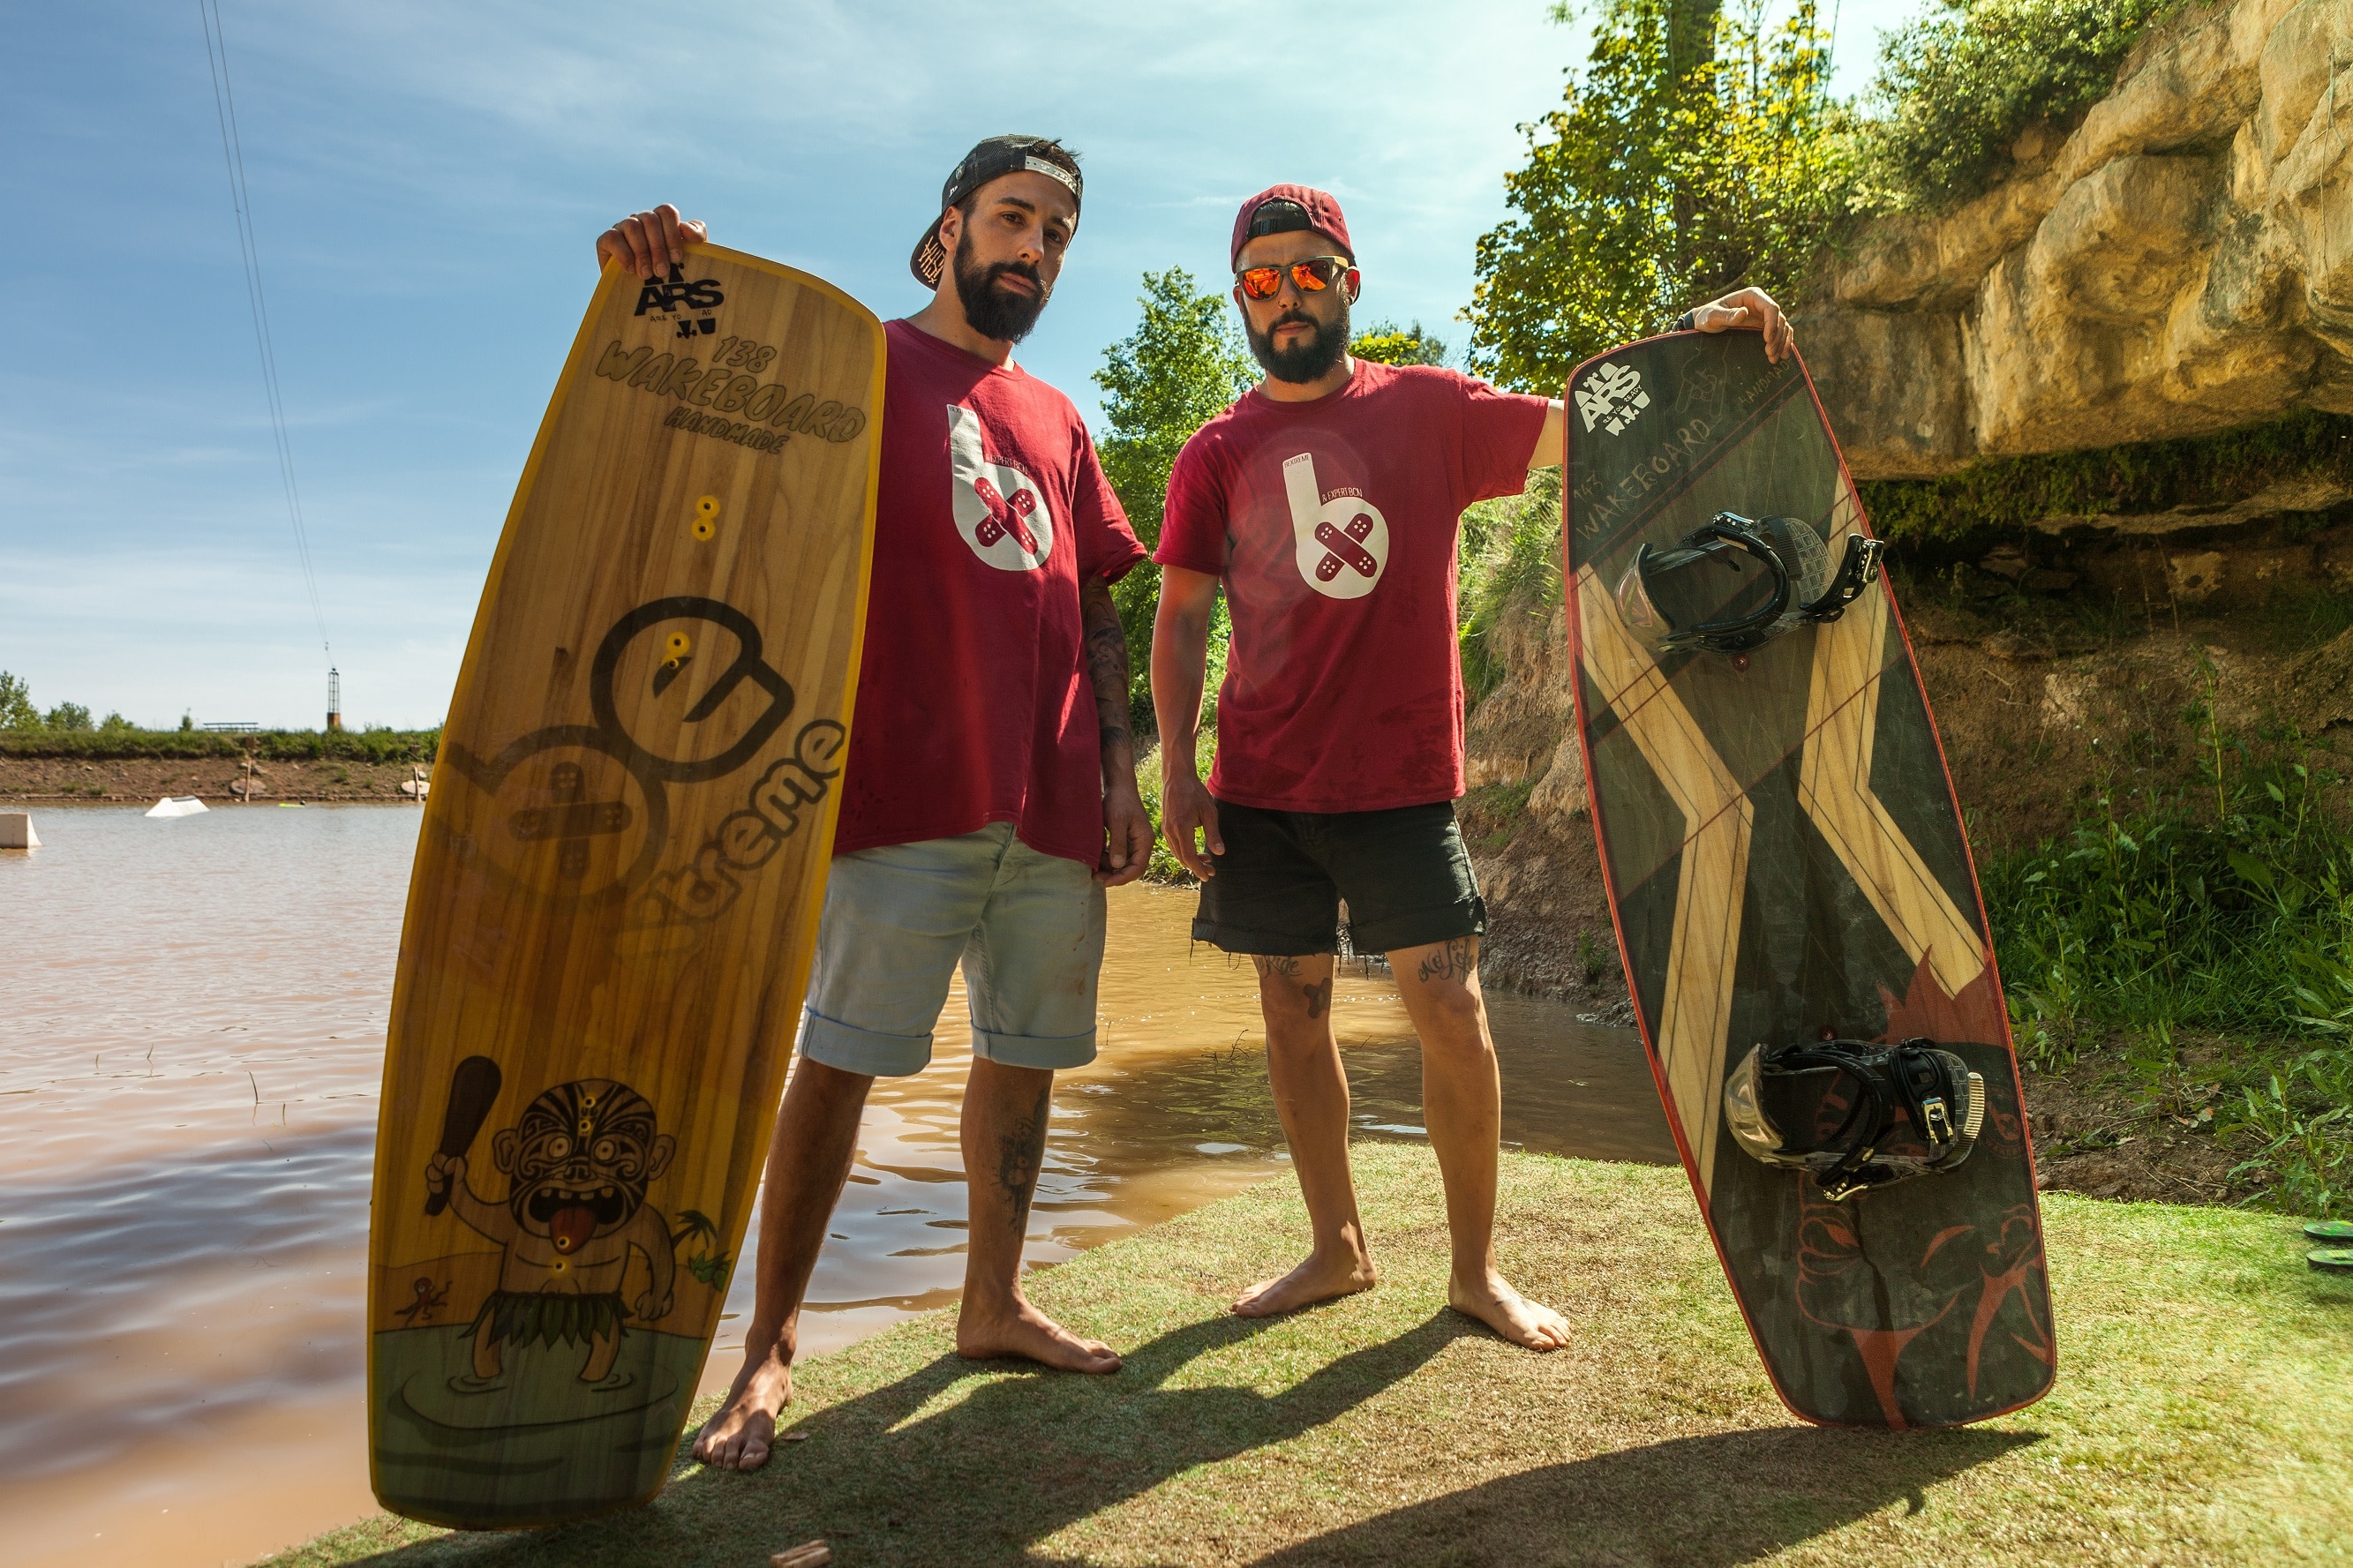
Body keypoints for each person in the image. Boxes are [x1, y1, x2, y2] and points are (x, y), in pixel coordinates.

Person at [594, 134, 1155, 1472]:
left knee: (1023, 1061)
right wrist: (650, 278)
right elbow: (690, 414)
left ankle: (991, 1300)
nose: (1035, 249)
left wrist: (1120, 771)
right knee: (838, 1065)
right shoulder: (848, 366)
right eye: (1013, 218)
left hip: (1053, 798)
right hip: (899, 783)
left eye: (1057, 235)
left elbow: (1098, 611)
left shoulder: (1060, 417)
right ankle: (769, 1346)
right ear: (950, 224)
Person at [1150, 184, 1792, 1350]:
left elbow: (1590, 424)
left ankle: (1473, 1271)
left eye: (1307, 273)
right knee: (1290, 1013)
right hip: (1258, 782)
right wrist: (1179, 769)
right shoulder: (1214, 451)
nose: (1284, 297)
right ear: (1239, 299)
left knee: (1449, 1007)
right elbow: (1183, 614)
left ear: (1349, 282)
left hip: (1398, 782)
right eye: (1259, 281)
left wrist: (1698, 341)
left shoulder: (1435, 411)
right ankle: (1336, 1247)